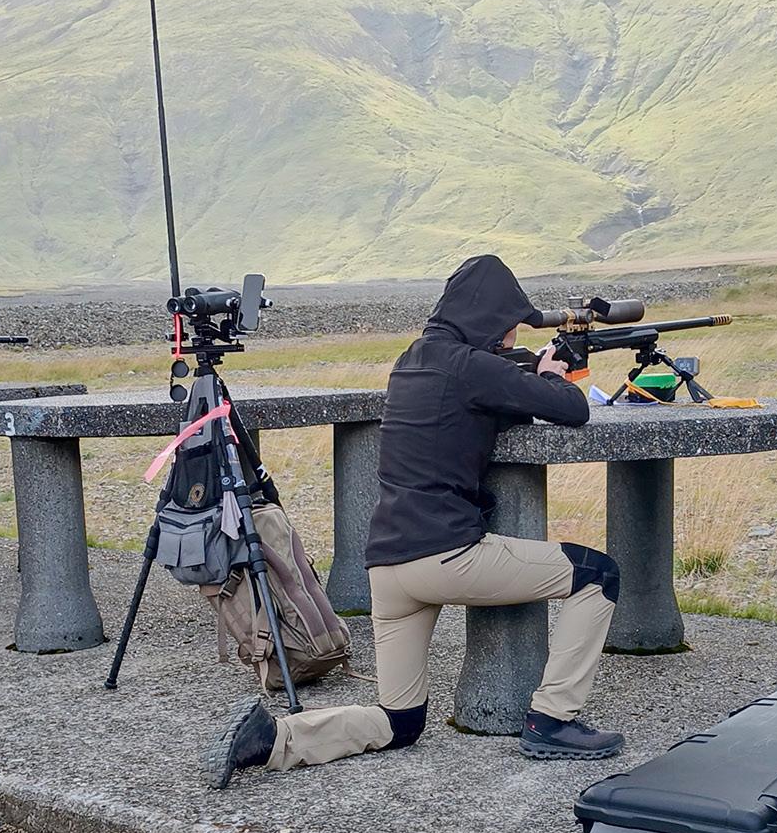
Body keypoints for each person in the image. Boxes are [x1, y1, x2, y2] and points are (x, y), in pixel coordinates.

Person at [207, 253, 625, 786]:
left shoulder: (410, 362)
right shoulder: (474, 366)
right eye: (510, 323)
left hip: (388, 569)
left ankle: (273, 739)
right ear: (491, 317)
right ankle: (553, 720)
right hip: (447, 557)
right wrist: (550, 375)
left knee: (399, 721)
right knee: (598, 575)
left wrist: (521, 375)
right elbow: (573, 408)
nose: (512, 334)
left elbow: (478, 412)